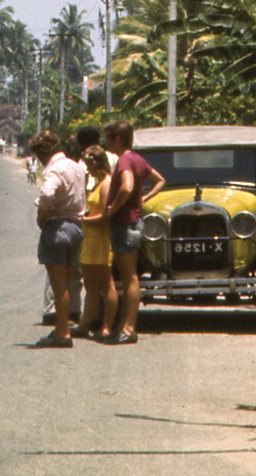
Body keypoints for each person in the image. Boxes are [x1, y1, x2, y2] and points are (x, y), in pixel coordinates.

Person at [103, 119, 166, 344]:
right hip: (134, 222)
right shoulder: (138, 159)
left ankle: (128, 328)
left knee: (129, 277)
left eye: (109, 138)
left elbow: (127, 186)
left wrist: (111, 209)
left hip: (124, 223)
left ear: (117, 139)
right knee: (130, 276)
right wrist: (144, 198)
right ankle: (125, 325)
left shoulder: (125, 160)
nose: (107, 143)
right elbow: (160, 180)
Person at [29, 129, 85, 348]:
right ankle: (62, 327)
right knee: (68, 283)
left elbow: (47, 194)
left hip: (57, 227)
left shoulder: (54, 170)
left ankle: (62, 333)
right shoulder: (75, 166)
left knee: (58, 285)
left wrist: (42, 213)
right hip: (76, 227)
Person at [74, 145, 117, 341]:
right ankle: (84, 325)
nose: (87, 168)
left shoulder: (106, 184)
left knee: (106, 284)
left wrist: (82, 220)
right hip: (90, 239)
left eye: (89, 163)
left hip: (101, 239)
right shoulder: (97, 184)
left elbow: (105, 217)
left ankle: (107, 326)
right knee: (90, 286)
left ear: (96, 163)